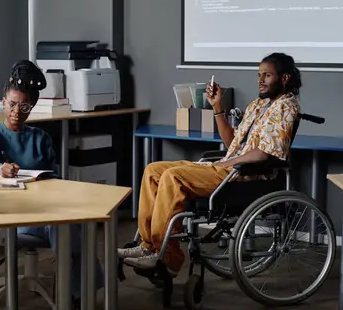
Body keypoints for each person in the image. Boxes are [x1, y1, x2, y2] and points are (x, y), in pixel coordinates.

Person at [118, 52, 302, 277]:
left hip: (246, 175)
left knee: (172, 177)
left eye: (267, 75)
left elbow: (263, 154)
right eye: (259, 75)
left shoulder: (286, 106)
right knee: (153, 170)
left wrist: (229, 163)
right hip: (228, 167)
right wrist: (217, 107)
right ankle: (148, 246)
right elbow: (231, 142)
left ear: (284, 78)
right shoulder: (258, 105)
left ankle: (167, 256)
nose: (261, 80)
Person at [0, 60, 104, 310]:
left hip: (45, 206)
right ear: (3, 102)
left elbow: (55, 177)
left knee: (75, 221)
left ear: (32, 107)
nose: (17, 111)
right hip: (13, 213)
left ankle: (76, 292)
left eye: (24, 106)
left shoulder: (40, 137)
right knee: (62, 225)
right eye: (12, 104)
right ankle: (75, 294)